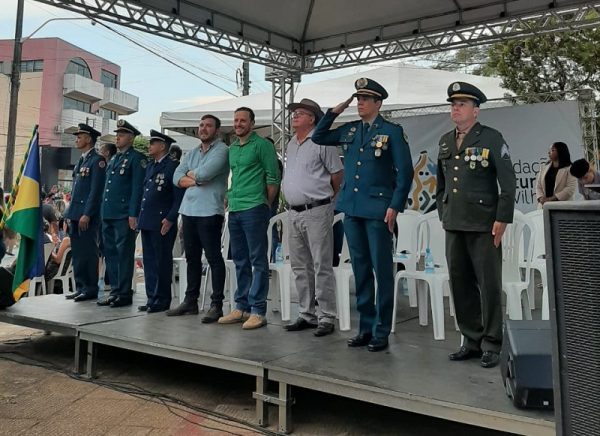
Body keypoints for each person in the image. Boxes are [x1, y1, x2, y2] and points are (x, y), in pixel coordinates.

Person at [312, 78, 413, 352]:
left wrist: (395, 205)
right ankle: (365, 328)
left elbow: (405, 173)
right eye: (357, 99)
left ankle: (381, 330)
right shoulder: (351, 129)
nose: (360, 103)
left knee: (382, 271)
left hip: (379, 210)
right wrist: (334, 112)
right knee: (361, 270)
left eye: (366, 99)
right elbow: (319, 137)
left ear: (378, 103)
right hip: (353, 209)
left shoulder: (391, 132)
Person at [436, 82, 517, 369]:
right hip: (454, 222)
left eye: (462, 104)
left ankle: (492, 342)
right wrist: (443, 211)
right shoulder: (446, 140)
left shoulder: (491, 138)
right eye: (453, 104)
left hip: (484, 224)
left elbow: (508, 181)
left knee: (488, 283)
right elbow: (441, 182)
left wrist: (502, 218)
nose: (455, 109)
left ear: (476, 110)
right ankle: (471, 340)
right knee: (460, 284)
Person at [281, 98, 344, 337]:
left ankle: (326, 315)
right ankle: (307, 313)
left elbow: (337, 174)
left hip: (317, 209)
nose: (295, 116)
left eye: (300, 113)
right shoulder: (291, 143)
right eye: (294, 113)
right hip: (293, 211)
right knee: (300, 265)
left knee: (321, 264)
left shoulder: (323, 142)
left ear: (312, 118)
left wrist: (326, 197)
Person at [217, 107, 280, 330]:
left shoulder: (262, 145)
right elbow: (234, 176)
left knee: (258, 260)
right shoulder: (233, 148)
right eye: (236, 120)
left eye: (243, 120)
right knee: (240, 260)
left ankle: (258, 310)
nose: (238, 124)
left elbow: (273, 178)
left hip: (255, 207)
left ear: (252, 123)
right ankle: (241, 307)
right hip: (235, 208)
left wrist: (265, 204)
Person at [167, 115, 229, 322]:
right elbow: (176, 177)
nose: (203, 128)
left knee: (213, 258)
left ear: (217, 130)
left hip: (210, 211)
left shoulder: (222, 150)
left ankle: (216, 305)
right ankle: (190, 301)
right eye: (201, 125)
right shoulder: (193, 152)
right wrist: (195, 179)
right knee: (191, 258)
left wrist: (192, 175)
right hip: (189, 211)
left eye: (208, 125)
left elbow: (205, 174)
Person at [97, 120, 147, 308]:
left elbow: (137, 188)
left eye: (122, 134)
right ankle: (115, 291)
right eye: (117, 134)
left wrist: (133, 213)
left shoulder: (137, 158)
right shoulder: (114, 159)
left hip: (124, 214)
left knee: (123, 254)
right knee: (110, 254)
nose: (118, 137)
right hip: (109, 213)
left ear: (131, 138)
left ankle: (124, 293)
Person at [137, 130, 184, 313]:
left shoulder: (172, 166)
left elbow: (178, 197)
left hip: (162, 221)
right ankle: (152, 297)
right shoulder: (151, 166)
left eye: (153, 143)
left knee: (161, 261)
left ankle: (162, 299)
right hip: (148, 219)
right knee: (149, 261)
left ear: (163, 146)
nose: (149, 146)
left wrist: (171, 218)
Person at [64, 123, 107, 301]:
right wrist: (68, 214)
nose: (77, 140)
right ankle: (81, 286)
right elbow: (76, 191)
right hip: (75, 213)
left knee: (88, 252)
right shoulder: (81, 161)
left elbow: (96, 191)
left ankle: (90, 288)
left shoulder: (98, 161)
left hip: (86, 215)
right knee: (78, 253)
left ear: (89, 139)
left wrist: (87, 213)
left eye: (80, 137)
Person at [535, 141, 577, 208]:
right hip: (544, 206)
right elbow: (538, 186)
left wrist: (550, 199)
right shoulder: (544, 167)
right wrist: (541, 198)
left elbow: (570, 189)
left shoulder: (570, 168)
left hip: (563, 207)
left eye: (552, 150)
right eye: (549, 150)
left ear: (560, 151)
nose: (549, 152)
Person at [45, 218, 72, 293]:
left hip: (56, 269)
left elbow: (58, 260)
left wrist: (49, 251)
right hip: (65, 269)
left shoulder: (66, 240)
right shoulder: (72, 239)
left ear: (65, 225)